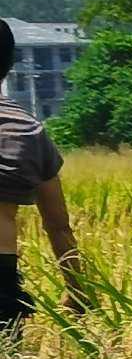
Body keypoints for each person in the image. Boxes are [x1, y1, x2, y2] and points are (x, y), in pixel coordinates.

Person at [0, 22, 86, 325]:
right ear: (10, 65)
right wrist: (77, 289)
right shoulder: (27, 130)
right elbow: (58, 226)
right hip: (2, 277)